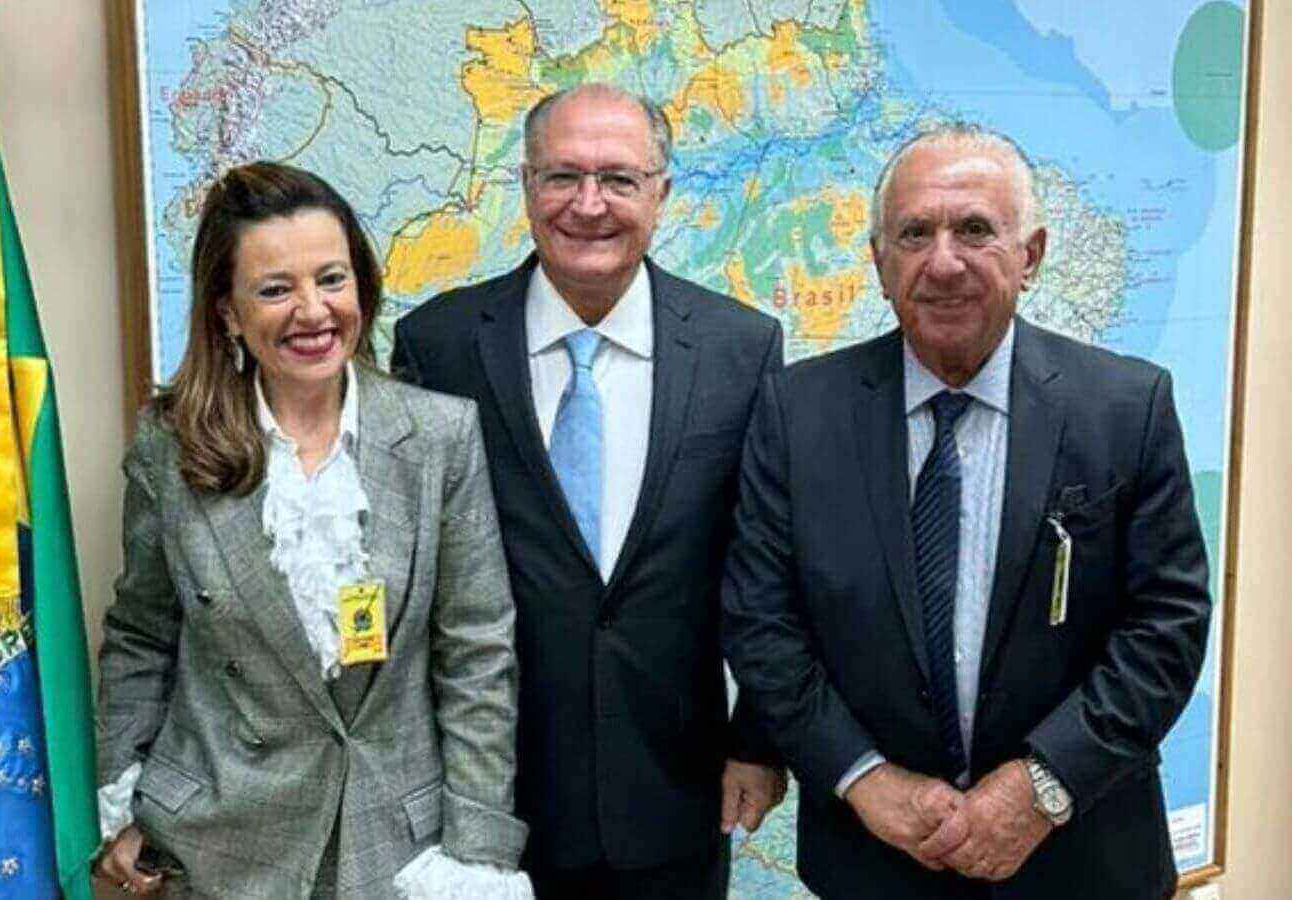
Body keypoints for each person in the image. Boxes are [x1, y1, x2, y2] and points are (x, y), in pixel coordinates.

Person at [721, 123, 1212, 898]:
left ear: (1032, 256)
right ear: (880, 262)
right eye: (914, 233)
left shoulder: (1126, 408)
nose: (943, 262)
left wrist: (1042, 788)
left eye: (976, 230)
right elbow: (761, 621)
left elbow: (1166, 625)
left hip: (1083, 860)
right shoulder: (797, 413)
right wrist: (864, 778)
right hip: (873, 863)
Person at [391, 83, 787, 899]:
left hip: (676, 794)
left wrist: (759, 739)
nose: (589, 205)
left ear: (663, 193)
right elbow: (411, 579)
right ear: (527, 189)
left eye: (619, 179)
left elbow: (769, 565)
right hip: (484, 798)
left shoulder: (739, 348)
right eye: (562, 177)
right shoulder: (439, 346)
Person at [94, 162, 531, 899]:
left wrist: (477, 850)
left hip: (400, 848)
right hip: (219, 844)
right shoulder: (170, 450)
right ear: (227, 312)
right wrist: (122, 802)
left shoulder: (439, 436)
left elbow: (478, 654)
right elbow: (141, 636)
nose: (313, 311)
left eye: (332, 279)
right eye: (274, 289)